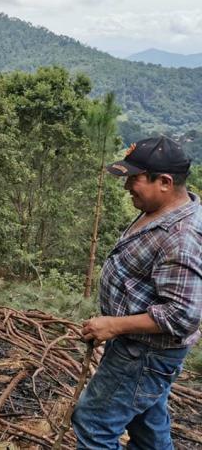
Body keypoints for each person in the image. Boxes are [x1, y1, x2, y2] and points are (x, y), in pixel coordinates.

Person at [72, 136, 202, 449]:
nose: (127, 185)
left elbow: (182, 315)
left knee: (93, 425)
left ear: (165, 182)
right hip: (141, 351)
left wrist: (113, 325)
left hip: (143, 354)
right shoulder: (159, 209)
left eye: (135, 179)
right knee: (147, 426)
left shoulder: (181, 237)